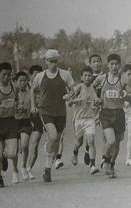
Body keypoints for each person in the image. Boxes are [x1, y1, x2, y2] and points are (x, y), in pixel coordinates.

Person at [31, 49, 75, 182]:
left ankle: (47, 167)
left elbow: (73, 89)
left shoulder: (65, 74)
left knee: (56, 141)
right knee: (53, 135)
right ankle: (48, 168)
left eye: (55, 61)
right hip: (45, 111)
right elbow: (32, 90)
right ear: (45, 62)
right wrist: (33, 106)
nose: (53, 64)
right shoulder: (40, 76)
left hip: (60, 112)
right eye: (50, 61)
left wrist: (70, 94)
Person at [93, 54, 125, 178]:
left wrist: (126, 94)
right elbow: (91, 87)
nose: (114, 66)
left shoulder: (122, 79)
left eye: (116, 64)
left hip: (119, 113)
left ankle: (112, 165)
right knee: (110, 141)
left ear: (120, 65)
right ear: (108, 65)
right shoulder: (102, 78)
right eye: (111, 64)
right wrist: (96, 97)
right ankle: (105, 159)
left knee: (117, 144)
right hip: (106, 113)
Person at [68, 67, 101, 174]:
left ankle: (92, 166)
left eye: (89, 76)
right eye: (85, 76)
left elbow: (95, 99)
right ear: (81, 77)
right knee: (79, 142)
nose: (87, 78)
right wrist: (79, 99)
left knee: (91, 140)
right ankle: (75, 151)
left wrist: (97, 101)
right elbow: (69, 101)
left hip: (89, 118)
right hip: (79, 119)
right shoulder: (78, 87)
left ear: (92, 77)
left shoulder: (92, 88)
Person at [83, 54, 106, 165]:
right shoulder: (87, 77)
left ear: (101, 63)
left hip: (103, 108)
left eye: (98, 61)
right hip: (91, 109)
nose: (96, 63)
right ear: (90, 64)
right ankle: (87, 149)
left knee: (106, 133)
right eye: (94, 61)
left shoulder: (106, 76)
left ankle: (104, 156)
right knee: (90, 135)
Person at [12, 71, 33, 182]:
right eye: (20, 81)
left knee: (24, 145)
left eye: (24, 80)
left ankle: (24, 166)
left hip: (25, 121)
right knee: (14, 149)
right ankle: (15, 171)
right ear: (15, 82)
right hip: (14, 122)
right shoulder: (12, 94)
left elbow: (34, 105)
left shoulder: (30, 93)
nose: (22, 83)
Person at [27, 65, 44, 179]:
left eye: (39, 75)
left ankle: (28, 168)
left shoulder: (43, 88)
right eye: (35, 75)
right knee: (22, 146)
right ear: (30, 75)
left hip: (37, 118)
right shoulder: (23, 85)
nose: (37, 77)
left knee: (35, 144)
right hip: (22, 119)